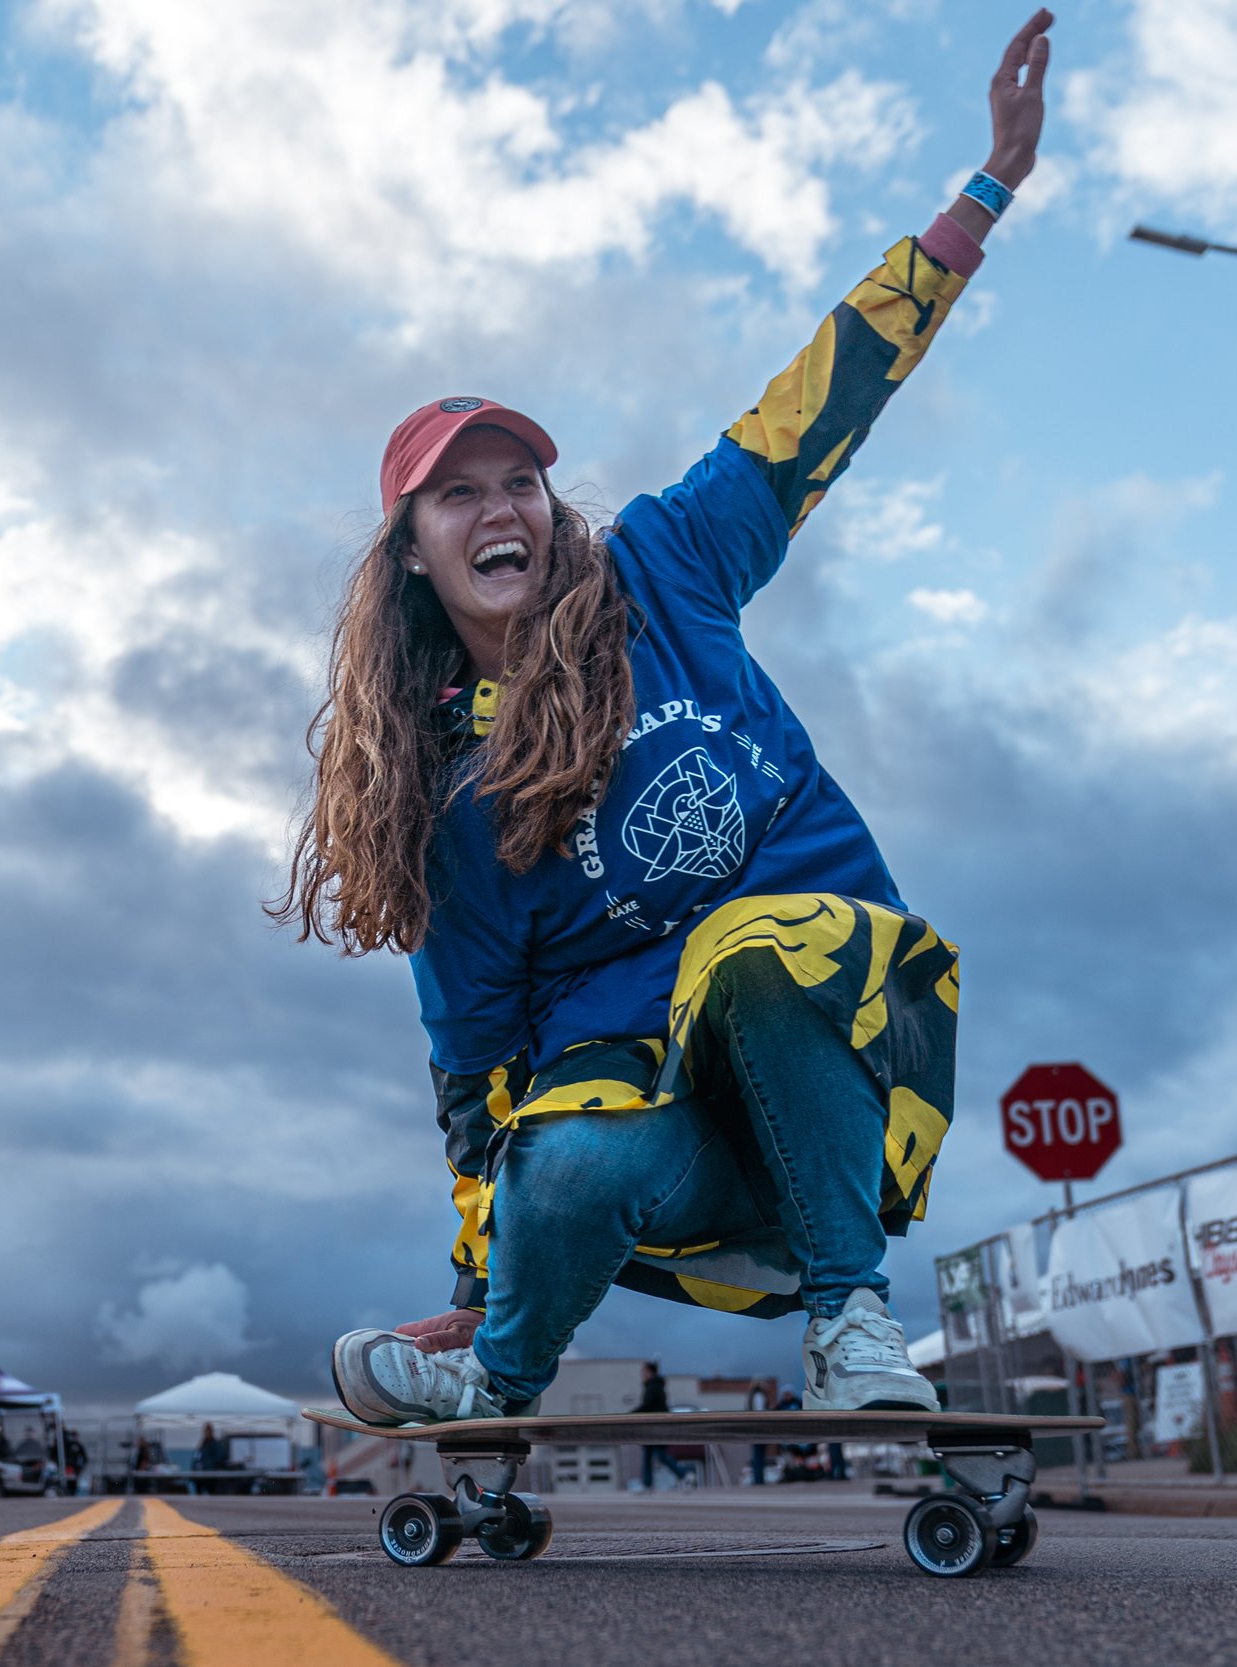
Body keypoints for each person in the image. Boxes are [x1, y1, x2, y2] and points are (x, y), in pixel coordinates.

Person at [302, 12, 1056, 1431]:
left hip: (835, 1051)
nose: (500, 505)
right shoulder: (455, 798)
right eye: (459, 493)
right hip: (671, 1139)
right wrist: (481, 1259)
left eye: (518, 477)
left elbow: (816, 406)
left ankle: (854, 1321)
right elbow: (471, 1061)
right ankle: (495, 1372)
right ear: (412, 549)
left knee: (754, 944)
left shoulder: (663, 562)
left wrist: (983, 195)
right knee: (564, 1162)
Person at [634, 1362, 693, 1490]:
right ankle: (647, 1483)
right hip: (654, 1427)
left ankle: (683, 1474)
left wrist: (631, 1414)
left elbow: (647, 1406)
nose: (642, 1375)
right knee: (650, 1455)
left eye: (643, 1372)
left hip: (655, 1427)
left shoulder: (653, 1387)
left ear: (650, 1372)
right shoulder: (656, 1386)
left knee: (658, 1455)